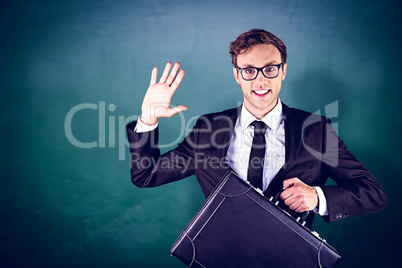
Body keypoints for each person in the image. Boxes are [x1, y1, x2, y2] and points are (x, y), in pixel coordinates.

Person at [126, 28, 387, 229]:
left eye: (270, 69)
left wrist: (318, 198)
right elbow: (146, 175)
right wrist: (148, 119)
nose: (260, 79)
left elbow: (373, 193)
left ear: (283, 71)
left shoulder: (316, 131)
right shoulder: (207, 129)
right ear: (237, 75)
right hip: (219, 260)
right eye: (249, 70)